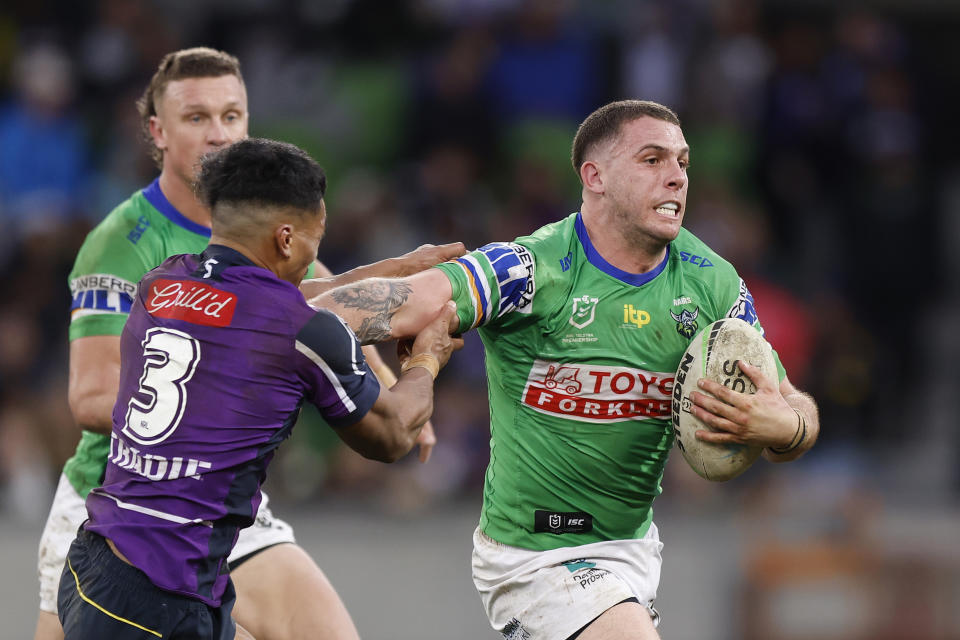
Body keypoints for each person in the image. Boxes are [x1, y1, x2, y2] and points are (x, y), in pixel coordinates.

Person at [313, 99, 821, 640]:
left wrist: (787, 428)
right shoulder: (530, 269)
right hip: (534, 557)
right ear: (594, 176)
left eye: (683, 162)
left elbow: (793, 403)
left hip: (634, 551)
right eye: (653, 159)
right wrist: (274, 319)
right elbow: (410, 299)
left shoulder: (712, 283)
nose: (676, 177)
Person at [35, 47, 463, 640]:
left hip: (206, 512)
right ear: (156, 132)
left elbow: (303, 307)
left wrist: (399, 271)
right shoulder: (123, 244)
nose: (219, 135)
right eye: (197, 118)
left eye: (231, 116)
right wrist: (420, 368)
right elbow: (88, 399)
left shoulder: (186, 264)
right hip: (118, 495)